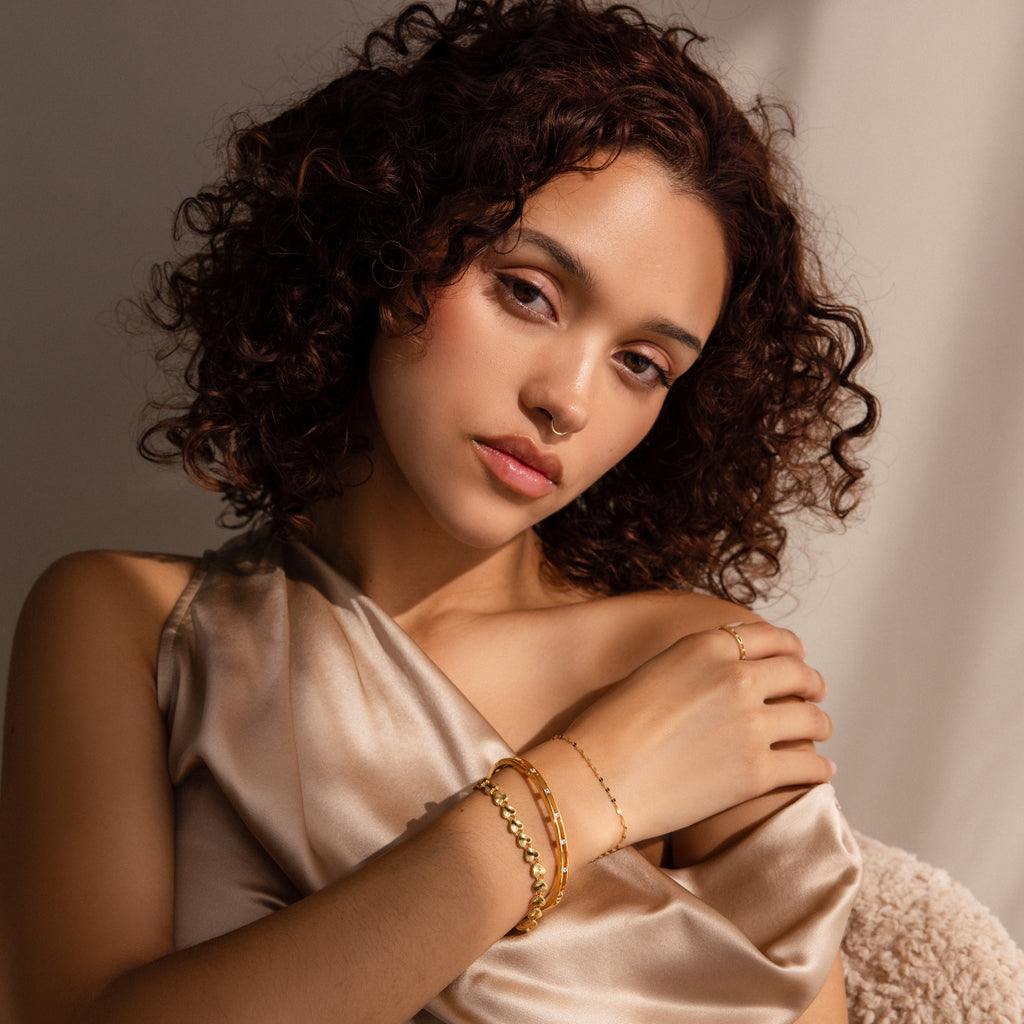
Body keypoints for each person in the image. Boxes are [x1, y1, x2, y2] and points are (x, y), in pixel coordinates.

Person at [0, 0, 879, 1020]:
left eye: (641, 363)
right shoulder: (128, 624)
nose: (568, 400)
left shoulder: (705, 671)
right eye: (529, 292)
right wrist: (580, 790)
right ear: (388, 247)